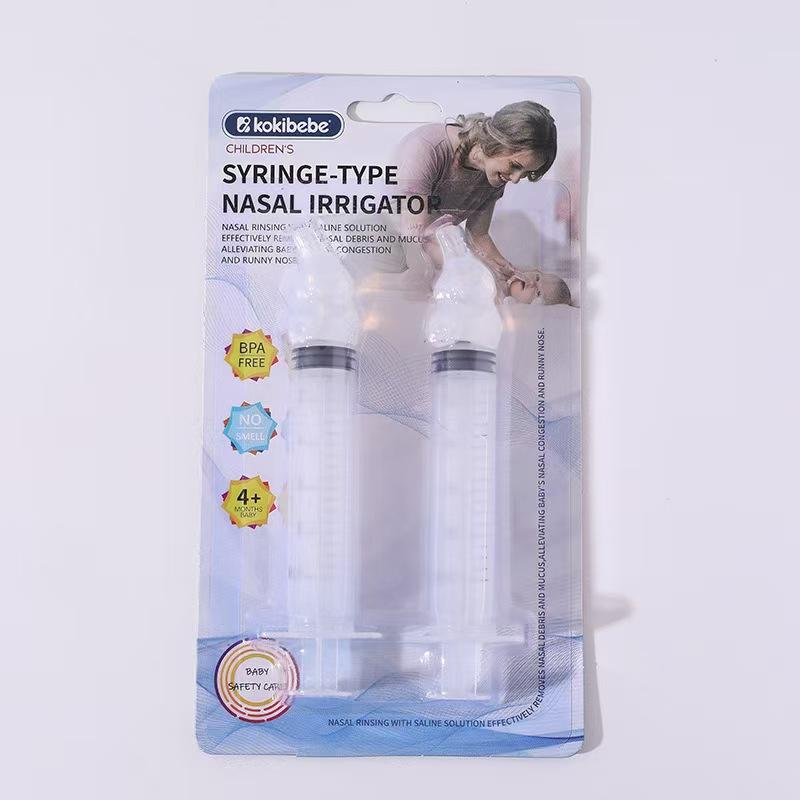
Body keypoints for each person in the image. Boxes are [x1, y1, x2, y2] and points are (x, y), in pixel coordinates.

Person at [397, 100, 571, 305]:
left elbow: (478, 234)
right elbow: (416, 234)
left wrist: (504, 269)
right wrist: (475, 270)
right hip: (393, 250)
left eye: (525, 173)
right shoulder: (427, 148)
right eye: (515, 165)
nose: (516, 179)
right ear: (498, 140)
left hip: (429, 252)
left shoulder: (494, 176)